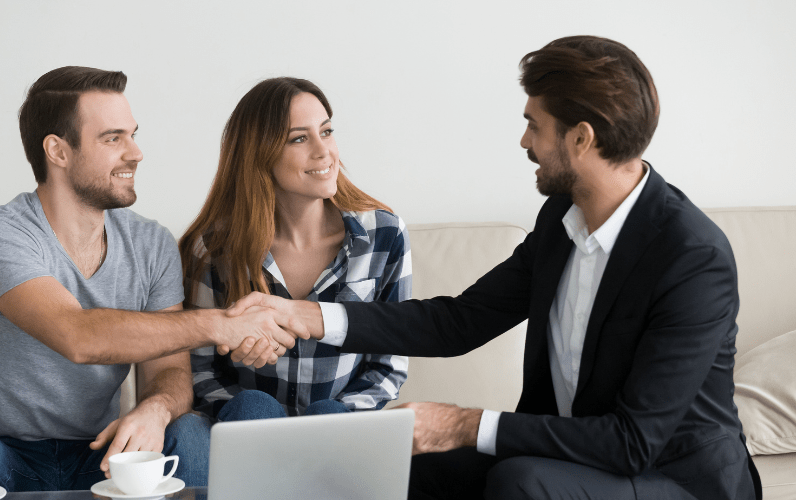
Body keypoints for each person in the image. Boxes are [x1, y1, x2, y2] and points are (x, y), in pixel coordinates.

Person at [227, 37, 762, 499]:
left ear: (581, 138)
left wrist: (461, 424)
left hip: (676, 479)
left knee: (522, 484)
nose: (524, 141)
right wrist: (307, 316)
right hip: (573, 457)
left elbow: (632, 441)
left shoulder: (693, 258)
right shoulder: (561, 220)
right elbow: (458, 321)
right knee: (409, 470)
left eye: (534, 125)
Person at [0, 66, 303, 491]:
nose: (136, 153)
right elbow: (78, 336)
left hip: (103, 452)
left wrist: (157, 409)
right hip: (4, 451)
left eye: (132, 134)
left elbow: (168, 369)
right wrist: (224, 324)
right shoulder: (0, 236)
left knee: (192, 433)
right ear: (58, 150)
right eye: (113, 138)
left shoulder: (151, 243)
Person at [179, 77, 410, 422]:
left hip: (337, 434)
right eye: (299, 138)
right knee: (252, 407)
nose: (324, 151)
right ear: (260, 154)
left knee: (329, 416)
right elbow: (202, 369)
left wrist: (337, 419)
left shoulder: (384, 236)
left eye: (327, 131)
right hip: (249, 435)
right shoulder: (214, 249)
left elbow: (388, 365)